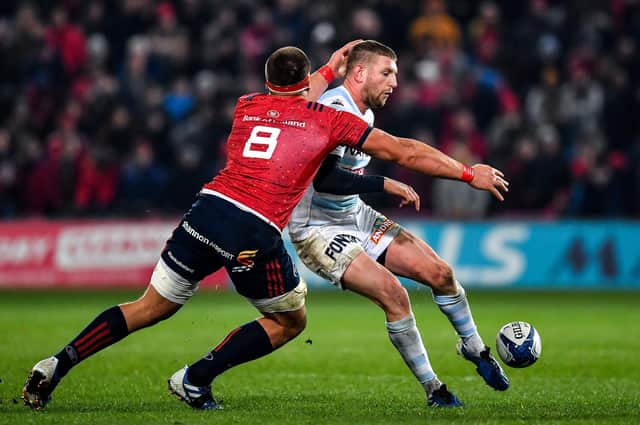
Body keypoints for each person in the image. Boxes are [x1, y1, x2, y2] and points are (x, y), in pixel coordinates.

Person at [22, 41, 508, 412]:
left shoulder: (247, 105)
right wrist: (469, 172)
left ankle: (58, 362)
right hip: (253, 228)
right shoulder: (324, 120)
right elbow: (405, 151)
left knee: (149, 306)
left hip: (206, 210)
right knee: (290, 320)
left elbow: (294, 92)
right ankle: (196, 377)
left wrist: (326, 69)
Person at [288, 40, 509, 407]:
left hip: (353, 212)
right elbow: (325, 180)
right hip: (317, 226)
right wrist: (385, 183)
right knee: (395, 295)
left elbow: (403, 151)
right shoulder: (332, 108)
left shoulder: (365, 114)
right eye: (387, 73)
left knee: (440, 274)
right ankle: (435, 391)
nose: (394, 83)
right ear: (359, 73)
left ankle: (475, 349)